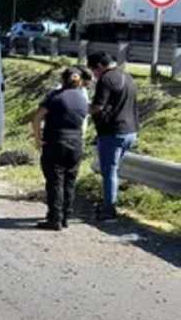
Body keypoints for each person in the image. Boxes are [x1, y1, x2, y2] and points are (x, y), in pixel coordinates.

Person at [31, 67, 89, 231]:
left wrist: (37, 139)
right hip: (76, 143)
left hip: (56, 142)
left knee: (55, 181)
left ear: (63, 80)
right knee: (70, 181)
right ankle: (65, 217)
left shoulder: (55, 96)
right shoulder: (82, 98)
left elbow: (37, 118)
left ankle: (54, 219)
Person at [87, 52, 139, 221]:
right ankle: (110, 203)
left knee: (109, 172)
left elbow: (98, 106)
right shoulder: (128, 77)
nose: (94, 75)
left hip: (113, 132)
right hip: (131, 131)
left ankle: (109, 209)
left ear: (100, 67)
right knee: (114, 170)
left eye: (94, 71)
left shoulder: (106, 79)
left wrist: (82, 109)